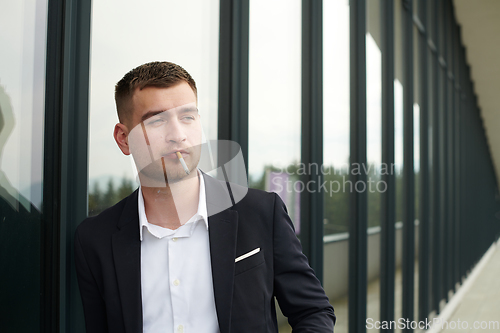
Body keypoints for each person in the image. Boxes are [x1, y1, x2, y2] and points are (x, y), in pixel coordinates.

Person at [74, 61, 335, 333]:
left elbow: (313, 312)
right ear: (124, 139)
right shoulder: (95, 240)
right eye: (157, 120)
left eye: (187, 117)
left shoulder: (259, 211)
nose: (178, 135)